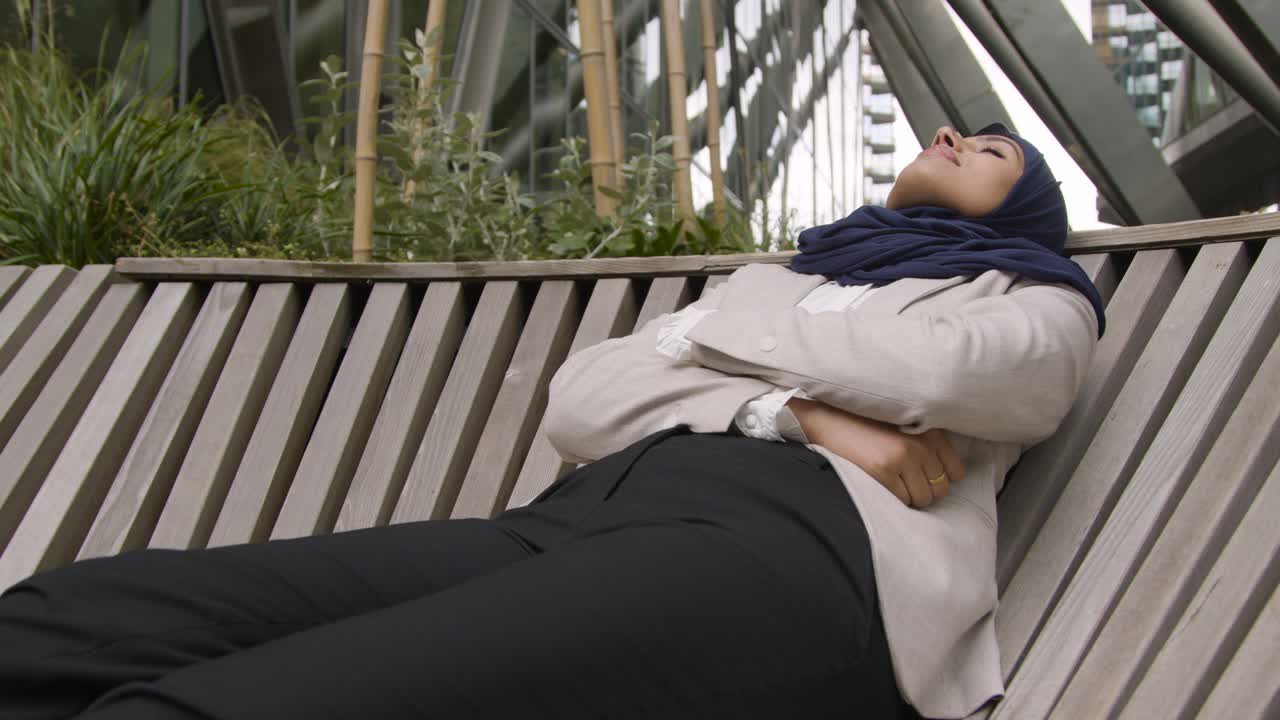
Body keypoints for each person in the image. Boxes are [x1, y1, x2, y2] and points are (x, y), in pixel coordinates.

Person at [0, 123, 1102, 719]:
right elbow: (581, 402)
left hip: (789, 564)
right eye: (956, 129)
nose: (958, 136)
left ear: (1027, 212)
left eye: (994, 151)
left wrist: (714, 335)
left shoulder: (1031, 295)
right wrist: (800, 414)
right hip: (581, 521)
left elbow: (955, 376)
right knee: (69, 621)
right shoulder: (792, 275)